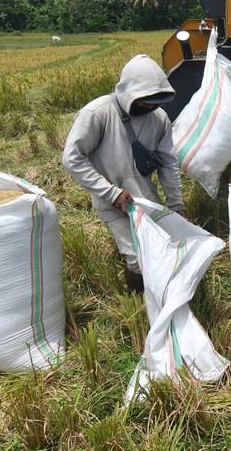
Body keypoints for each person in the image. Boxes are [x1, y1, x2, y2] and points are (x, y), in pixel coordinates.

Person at [62, 54, 187, 292]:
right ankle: (137, 304)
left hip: (144, 198)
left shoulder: (159, 119)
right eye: (146, 100)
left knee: (158, 248)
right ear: (129, 92)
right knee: (136, 255)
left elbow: (168, 164)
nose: (151, 105)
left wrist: (177, 204)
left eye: (156, 99)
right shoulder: (98, 113)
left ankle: (158, 293)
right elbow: (72, 158)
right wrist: (110, 193)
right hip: (112, 199)